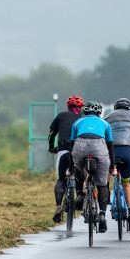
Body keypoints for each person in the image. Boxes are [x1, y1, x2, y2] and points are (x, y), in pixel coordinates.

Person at [69, 100, 115, 232]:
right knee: (102, 184)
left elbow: (72, 145)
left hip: (80, 145)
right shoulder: (105, 123)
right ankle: (101, 214)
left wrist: (71, 167)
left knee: (78, 168)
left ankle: (79, 193)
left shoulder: (77, 122)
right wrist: (112, 166)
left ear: (84, 112)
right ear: (99, 112)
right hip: (99, 146)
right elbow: (110, 146)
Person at [104, 97, 130, 229]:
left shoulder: (108, 116)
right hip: (127, 151)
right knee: (127, 183)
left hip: (112, 151)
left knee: (106, 175)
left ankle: (105, 194)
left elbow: (104, 137)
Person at [47, 95, 84, 223]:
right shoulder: (83, 118)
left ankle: (58, 207)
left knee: (61, 179)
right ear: (81, 107)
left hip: (63, 150)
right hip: (79, 151)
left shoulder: (61, 116)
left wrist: (52, 147)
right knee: (80, 173)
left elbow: (51, 134)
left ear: (68, 106)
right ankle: (80, 194)